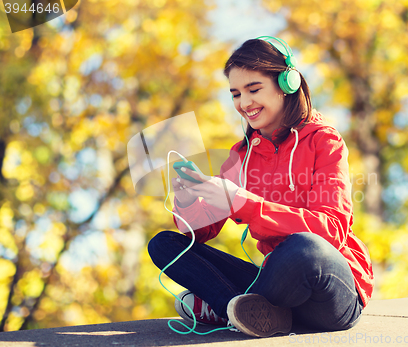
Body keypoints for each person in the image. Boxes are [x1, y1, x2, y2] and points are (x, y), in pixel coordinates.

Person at [148, 36, 374, 338]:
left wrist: (242, 202)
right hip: (277, 288)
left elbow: (331, 231)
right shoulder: (241, 156)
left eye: (254, 89)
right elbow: (197, 236)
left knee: (304, 248)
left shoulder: (324, 140)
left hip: (329, 288)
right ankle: (243, 310)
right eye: (236, 94)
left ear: (286, 84)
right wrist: (189, 199)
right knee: (164, 245)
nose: (244, 103)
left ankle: (224, 307)